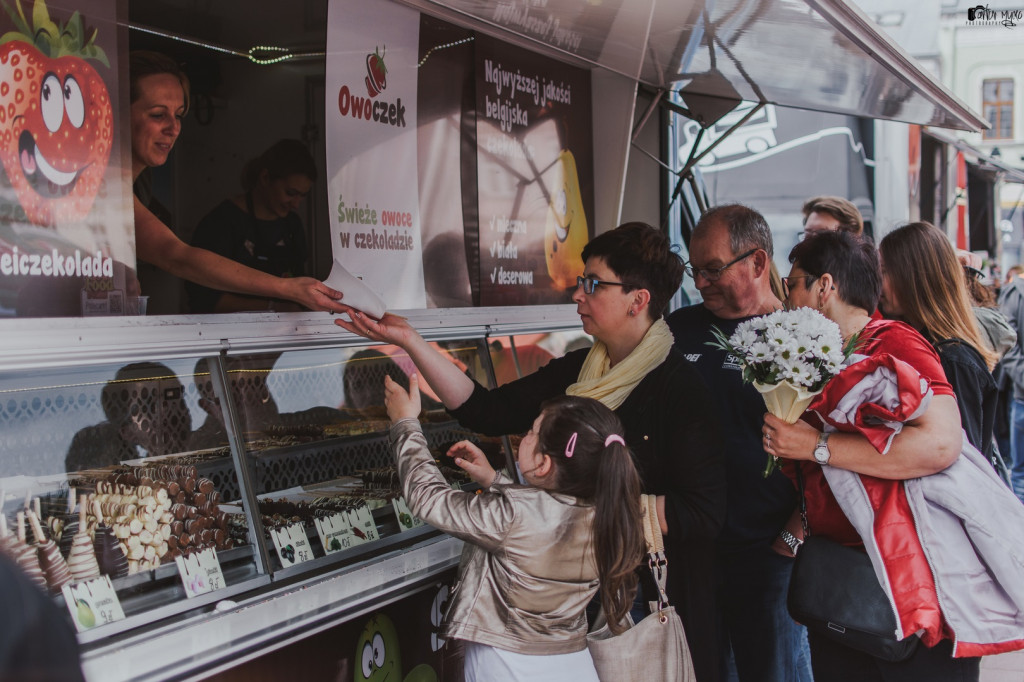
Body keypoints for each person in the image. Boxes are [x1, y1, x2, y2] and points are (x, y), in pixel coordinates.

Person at [336, 221, 726, 682]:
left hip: (631, 600)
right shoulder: (584, 366)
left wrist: (579, 515)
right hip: (571, 615)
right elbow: (488, 410)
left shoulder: (681, 391)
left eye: (593, 284)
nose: (578, 295)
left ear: (638, 299)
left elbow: (703, 513)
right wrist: (411, 341)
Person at [765, 229, 982, 680]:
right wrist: (789, 540)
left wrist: (815, 446)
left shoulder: (893, 342)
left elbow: (942, 443)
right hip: (846, 583)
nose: (787, 299)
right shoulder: (817, 358)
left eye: (793, 285)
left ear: (824, 287)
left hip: (907, 588)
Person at [386, 377, 643, 681]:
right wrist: (494, 480)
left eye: (532, 432)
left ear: (544, 464)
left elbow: (429, 498)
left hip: (508, 667)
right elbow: (545, 517)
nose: (524, 436)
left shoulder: (514, 518)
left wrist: (405, 422)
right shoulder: (608, 513)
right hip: (572, 664)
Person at [665, 204, 810, 682]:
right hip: (693, 554)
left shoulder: (804, 339)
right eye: (695, 270)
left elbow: (834, 457)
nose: (701, 282)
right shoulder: (675, 331)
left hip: (769, 557)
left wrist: (790, 541)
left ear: (758, 263)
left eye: (712, 269)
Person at [129, 51, 346, 313]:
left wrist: (292, 291)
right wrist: (284, 293)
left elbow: (176, 253)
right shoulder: (95, 188)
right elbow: (177, 257)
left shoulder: (136, 187)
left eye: (178, 115)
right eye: (157, 115)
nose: (173, 129)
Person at [878, 222, 999, 460]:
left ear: (915, 278)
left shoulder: (952, 359)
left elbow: (965, 461)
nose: (878, 283)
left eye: (884, 271)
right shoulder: (925, 344)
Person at [186, 140, 315, 313]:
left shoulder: (292, 225)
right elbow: (204, 299)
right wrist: (273, 307)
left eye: (303, 196)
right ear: (265, 178)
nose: (296, 204)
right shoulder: (222, 223)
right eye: (290, 193)